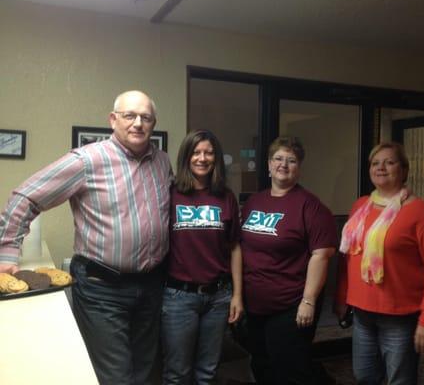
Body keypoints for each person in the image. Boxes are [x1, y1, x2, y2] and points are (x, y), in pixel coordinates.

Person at [0, 90, 173, 384]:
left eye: (146, 117)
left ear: (154, 123)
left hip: (151, 286)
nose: (138, 124)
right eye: (129, 115)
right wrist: (6, 255)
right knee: (116, 377)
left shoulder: (163, 162)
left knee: (146, 371)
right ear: (113, 119)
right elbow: (25, 197)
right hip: (102, 289)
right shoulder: (86, 160)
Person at [335, 142, 424, 385]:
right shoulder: (360, 206)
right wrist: (341, 297)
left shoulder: (420, 211)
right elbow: (348, 258)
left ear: (404, 170)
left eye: (389, 162)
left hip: (400, 317)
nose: (381, 168)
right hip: (362, 314)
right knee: (364, 377)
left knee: (400, 381)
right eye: (375, 163)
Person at [240, 136, 338, 385]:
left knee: (290, 368)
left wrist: (308, 301)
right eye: (278, 158)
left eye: (291, 160)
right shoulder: (254, 202)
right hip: (254, 304)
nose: (284, 164)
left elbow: (321, 255)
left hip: (290, 305)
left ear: (299, 167)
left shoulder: (311, 206)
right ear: (269, 165)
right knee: (261, 363)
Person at [161, 129, 243, 384]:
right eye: (196, 152)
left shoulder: (226, 197)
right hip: (178, 297)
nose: (202, 158)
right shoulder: (170, 194)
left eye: (209, 152)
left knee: (207, 372)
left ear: (216, 158)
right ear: (186, 156)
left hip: (218, 297)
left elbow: (235, 247)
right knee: (177, 373)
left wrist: (237, 295)